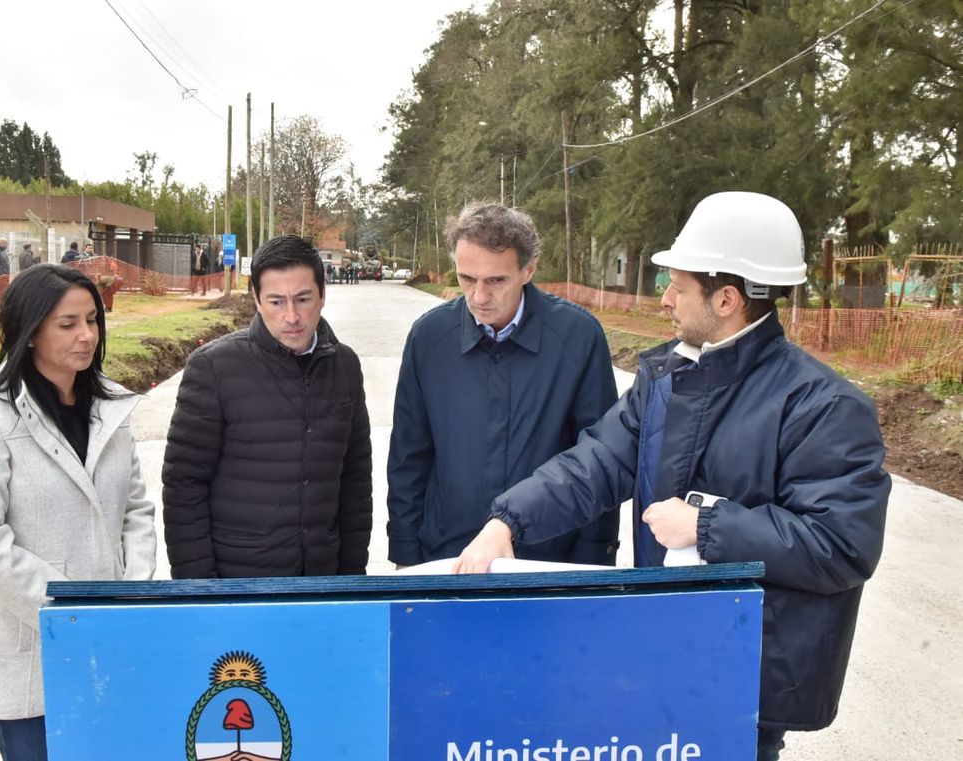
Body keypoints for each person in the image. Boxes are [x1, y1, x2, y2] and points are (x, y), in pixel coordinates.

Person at [456, 192, 891, 760]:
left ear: (727, 298)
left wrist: (708, 527)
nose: (665, 300)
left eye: (679, 287)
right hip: (663, 651)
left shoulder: (824, 406)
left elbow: (842, 545)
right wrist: (507, 521)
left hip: (747, 677)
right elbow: (597, 462)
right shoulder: (667, 377)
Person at [0, 263, 157, 760]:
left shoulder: (109, 409)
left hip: (112, 636)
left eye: (93, 321)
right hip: (32, 649)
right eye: (67, 324)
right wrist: (70, 611)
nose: (86, 336)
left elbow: (136, 510)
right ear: (29, 331)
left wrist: (131, 593)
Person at [387, 201, 619, 567]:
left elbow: (602, 456)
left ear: (528, 269)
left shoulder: (578, 337)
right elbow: (408, 456)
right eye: (467, 279)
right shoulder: (428, 338)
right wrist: (404, 553)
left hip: (546, 563)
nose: (479, 297)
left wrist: (593, 561)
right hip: (447, 558)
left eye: (496, 280)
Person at [162, 234, 373, 578]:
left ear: (323, 295)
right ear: (257, 301)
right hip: (239, 581)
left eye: (303, 299)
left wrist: (351, 576)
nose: (292, 316)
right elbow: (184, 485)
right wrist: (198, 590)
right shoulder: (214, 368)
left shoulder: (344, 366)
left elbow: (355, 479)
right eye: (276, 302)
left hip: (322, 579)